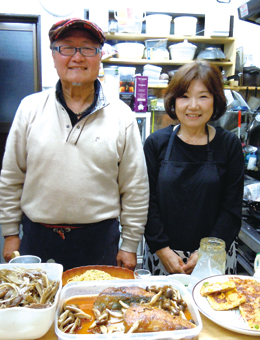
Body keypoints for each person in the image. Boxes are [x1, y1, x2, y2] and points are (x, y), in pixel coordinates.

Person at [0, 18, 149, 271]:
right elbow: (12, 176)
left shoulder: (121, 115)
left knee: (95, 309)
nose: (77, 57)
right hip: (38, 239)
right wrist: (10, 232)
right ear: (54, 56)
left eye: (87, 48)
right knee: (39, 307)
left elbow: (135, 186)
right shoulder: (30, 108)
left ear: (100, 56)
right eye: (67, 47)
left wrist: (130, 244)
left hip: (100, 241)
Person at [143, 61, 244, 275]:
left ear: (216, 101)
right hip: (165, 258)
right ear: (174, 100)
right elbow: (146, 201)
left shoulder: (229, 145)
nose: (193, 105)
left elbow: (231, 209)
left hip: (215, 256)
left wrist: (207, 252)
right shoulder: (155, 143)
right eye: (185, 96)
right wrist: (162, 249)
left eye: (203, 96)